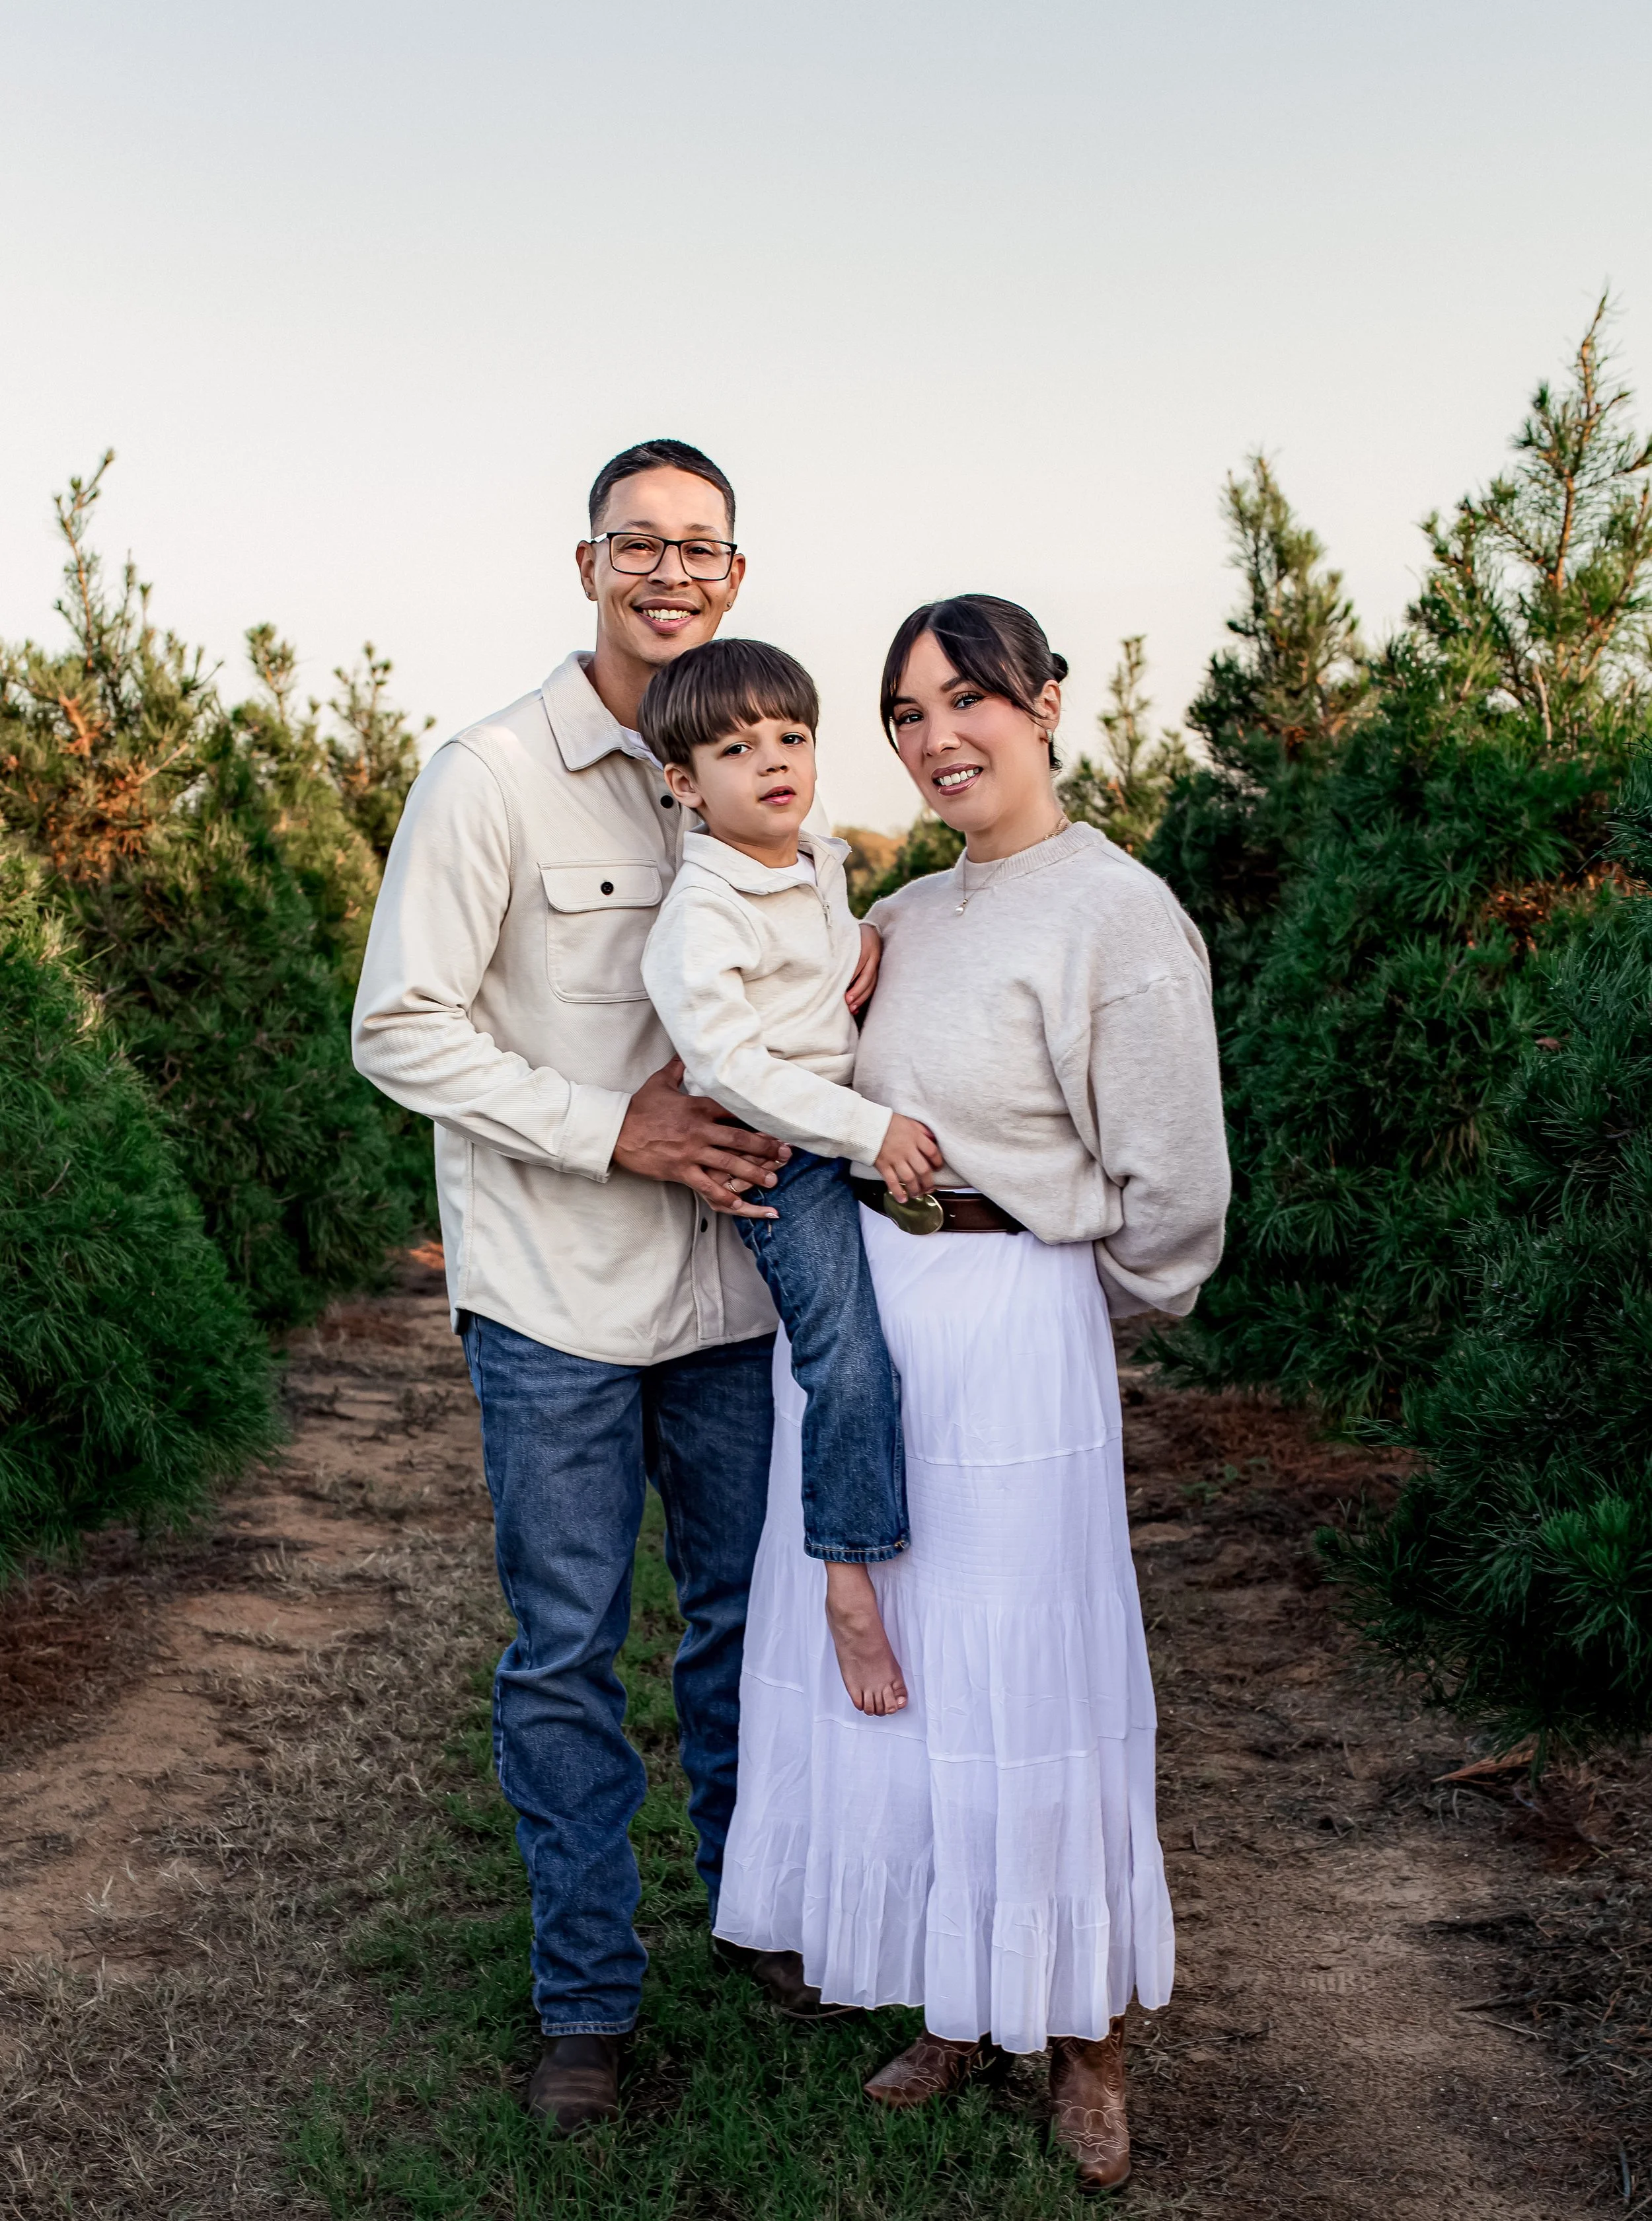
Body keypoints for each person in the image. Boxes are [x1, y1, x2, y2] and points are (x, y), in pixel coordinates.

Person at [712, 594, 1230, 2193]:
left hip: (1012, 1316)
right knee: (910, 1662)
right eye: (907, 713)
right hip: (873, 1319)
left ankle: (1083, 2035)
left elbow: (1174, 1190)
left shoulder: (1116, 913)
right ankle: (958, 1989)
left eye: (969, 702)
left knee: (1033, 1666)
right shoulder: (912, 913)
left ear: (1047, 703)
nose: (938, 738)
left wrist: (1067, 1298)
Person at [353, 441, 809, 2136]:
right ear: (586, 563)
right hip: (552, 1294)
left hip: (732, 1298)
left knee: (743, 1630)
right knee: (564, 1651)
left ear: (735, 576)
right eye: (640, 543)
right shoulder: (489, 774)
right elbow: (397, 1025)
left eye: (701, 546)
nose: (669, 571)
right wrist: (609, 1129)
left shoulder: (753, 767)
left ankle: (762, 1916)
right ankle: (586, 2002)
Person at [637, 636, 944, 1716]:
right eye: (735, 748)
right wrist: (869, 1132)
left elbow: (824, 964)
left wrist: (859, 933)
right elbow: (729, 1066)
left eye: (792, 736)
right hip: (797, 1160)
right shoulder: (700, 916)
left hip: (853, 1135)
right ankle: (850, 1580)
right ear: (686, 784)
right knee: (846, 1358)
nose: (774, 761)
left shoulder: (818, 857)